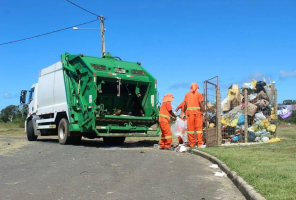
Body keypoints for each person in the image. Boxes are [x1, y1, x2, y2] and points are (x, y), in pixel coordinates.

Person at [183, 83, 205, 148]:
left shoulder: (187, 95)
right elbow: (201, 104)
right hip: (197, 114)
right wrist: (204, 111)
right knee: (198, 129)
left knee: (190, 130)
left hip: (189, 114)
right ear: (197, 88)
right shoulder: (199, 94)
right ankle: (199, 144)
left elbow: (185, 105)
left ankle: (192, 144)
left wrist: (184, 112)